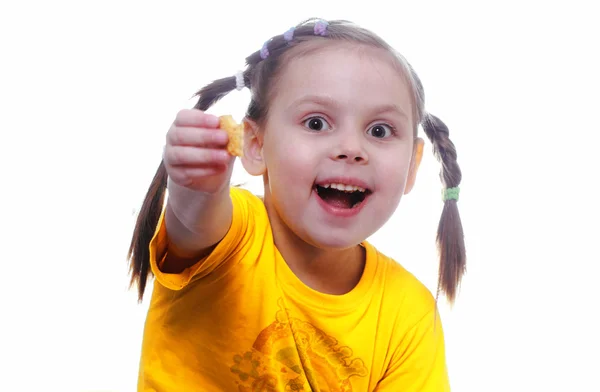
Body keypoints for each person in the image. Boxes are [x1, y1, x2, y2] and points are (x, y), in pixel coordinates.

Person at [128, 18, 466, 391]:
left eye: (379, 131)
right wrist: (198, 189)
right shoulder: (235, 233)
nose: (352, 149)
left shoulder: (409, 313)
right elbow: (194, 224)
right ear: (255, 145)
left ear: (412, 166)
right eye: (317, 123)